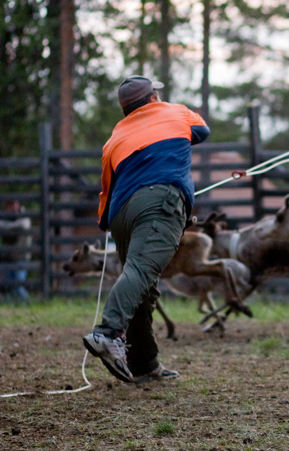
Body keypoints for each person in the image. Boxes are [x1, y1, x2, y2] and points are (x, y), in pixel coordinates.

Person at [82, 75, 210, 383]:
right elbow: (202, 130)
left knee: (143, 285)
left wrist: (106, 222)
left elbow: (106, 190)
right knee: (140, 272)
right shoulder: (175, 111)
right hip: (161, 202)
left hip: (120, 214)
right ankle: (109, 333)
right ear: (153, 98)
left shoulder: (114, 138)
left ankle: (145, 363)